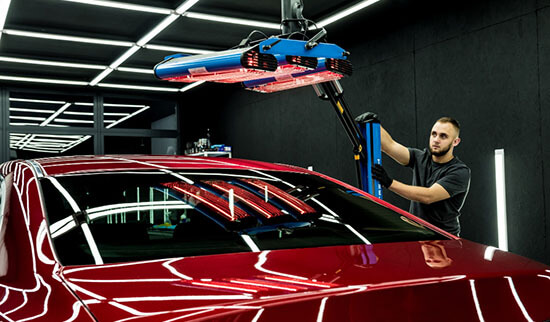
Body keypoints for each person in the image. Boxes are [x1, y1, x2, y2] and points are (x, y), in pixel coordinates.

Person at [356, 113, 471, 236]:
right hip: (418, 234)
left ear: (455, 142)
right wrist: (373, 125)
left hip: (444, 239)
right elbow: (390, 146)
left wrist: (390, 183)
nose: (436, 140)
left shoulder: (459, 171)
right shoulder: (420, 158)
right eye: (434, 134)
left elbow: (429, 196)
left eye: (443, 136)